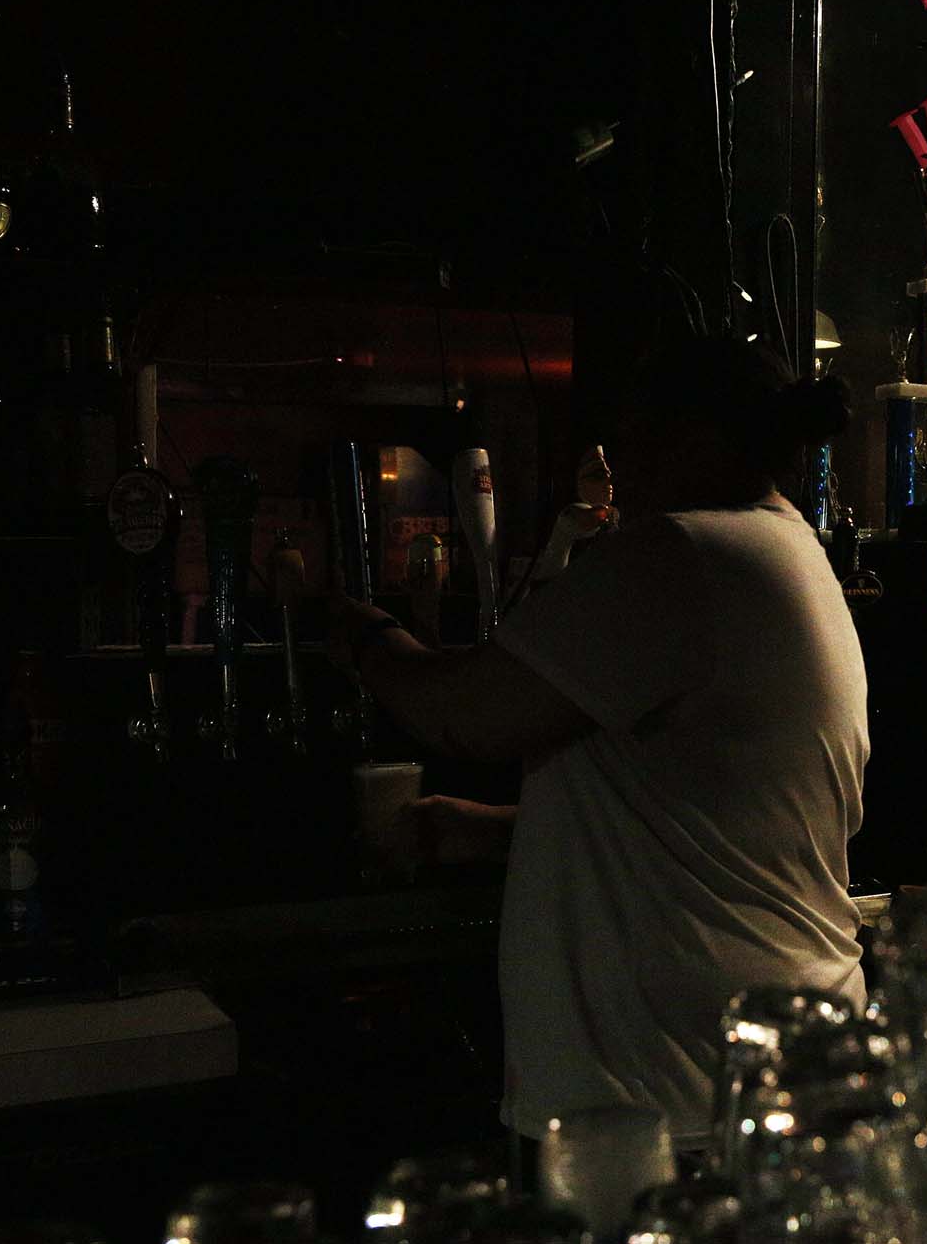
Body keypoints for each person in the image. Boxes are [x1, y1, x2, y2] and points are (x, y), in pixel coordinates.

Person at [331, 332, 866, 1156]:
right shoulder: (786, 551)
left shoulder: (681, 554)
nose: (620, 470)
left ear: (689, 437)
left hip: (675, 1113)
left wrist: (358, 628)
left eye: (632, 440)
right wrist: (485, 829)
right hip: (753, 1089)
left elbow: (460, 712)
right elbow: (711, 824)